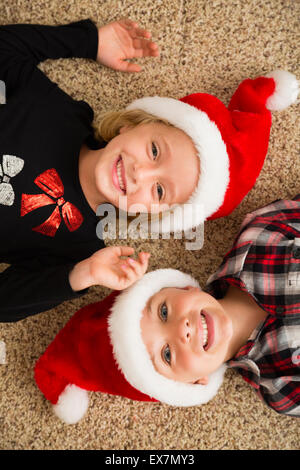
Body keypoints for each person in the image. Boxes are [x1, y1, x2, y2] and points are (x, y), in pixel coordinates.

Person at [0, 17, 298, 321]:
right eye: (154, 151)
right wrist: (88, 42)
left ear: (154, 214)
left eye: (158, 190)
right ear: (130, 126)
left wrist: (83, 274)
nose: (140, 174)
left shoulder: (78, 251)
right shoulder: (57, 115)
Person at [35, 195, 300, 423]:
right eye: (167, 354)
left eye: (163, 312)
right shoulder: (280, 389)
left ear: (184, 288)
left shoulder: (260, 237)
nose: (181, 331)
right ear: (195, 382)